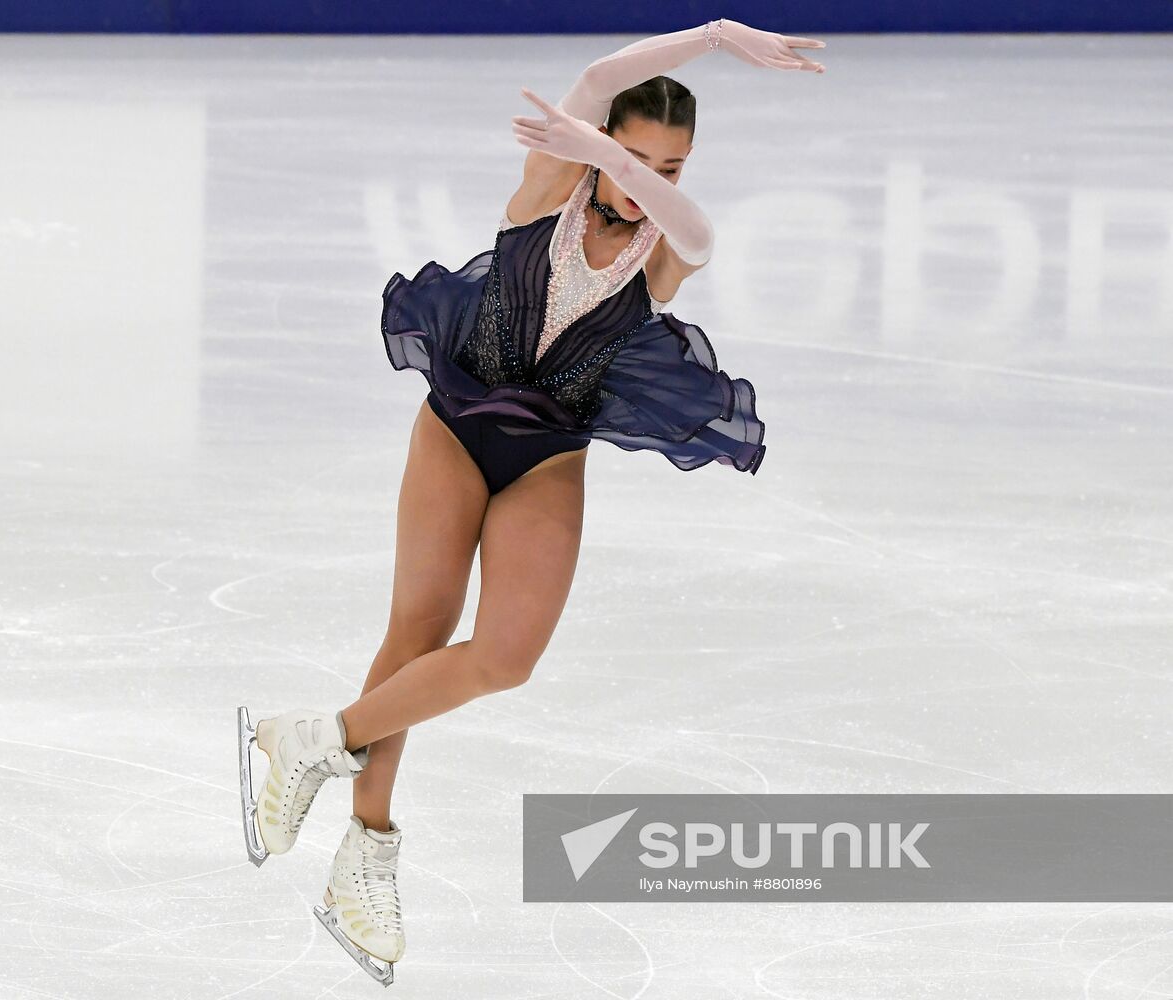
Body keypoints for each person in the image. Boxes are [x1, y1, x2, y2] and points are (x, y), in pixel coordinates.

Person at [237, 17, 826, 985]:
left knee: (505, 658)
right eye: (632, 154)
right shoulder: (549, 191)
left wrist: (610, 155)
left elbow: (697, 232)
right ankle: (364, 856)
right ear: (596, 152)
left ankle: (312, 737)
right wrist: (714, 34)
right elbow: (598, 75)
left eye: (669, 166)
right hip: (455, 425)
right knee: (416, 634)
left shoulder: (667, 246)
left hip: (547, 453)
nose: (647, 178)